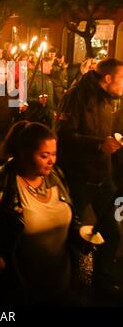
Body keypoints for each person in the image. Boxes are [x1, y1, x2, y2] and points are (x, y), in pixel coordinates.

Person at [0, 121, 93, 306]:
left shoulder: (55, 175)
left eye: (54, 154)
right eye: (44, 155)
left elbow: (69, 216)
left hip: (61, 284)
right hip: (20, 289)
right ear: (24, 153)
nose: (52, 160)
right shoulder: (1, 182)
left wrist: (79, 234)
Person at [57, 58, 123, 301]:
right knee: (70, 233)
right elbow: (63, 134)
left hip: (103, 177)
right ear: (108, 79)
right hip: (78, 177)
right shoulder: (77, 97)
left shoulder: (110, 99)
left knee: (112, 232)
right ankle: (67, 281)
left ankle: (102, 280)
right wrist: (98, 145)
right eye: (122, 79)